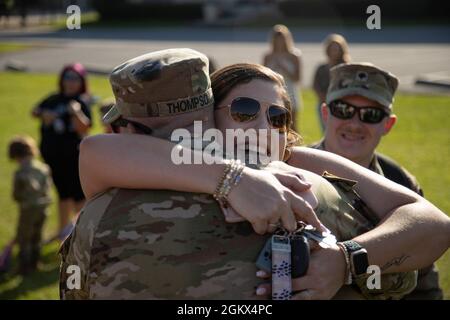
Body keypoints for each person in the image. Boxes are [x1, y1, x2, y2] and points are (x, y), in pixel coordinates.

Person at [60, 54, 450, 299]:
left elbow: (434, 224)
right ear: (211, 120)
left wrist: (346, 260)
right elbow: (96, 151)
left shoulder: (301, 162)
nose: (265, 127)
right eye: (245, 110)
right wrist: (233, 179)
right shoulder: (170, 160)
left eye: (278, 117)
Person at [309, 62, 443, 299]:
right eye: (343, 109)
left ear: (388, 124)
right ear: (325, 113)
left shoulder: (400, 184)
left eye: (371, 115)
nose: (354, 124)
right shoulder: (294, 173)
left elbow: (424, 283)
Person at [31, 63, 92, 239]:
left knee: (78, 196)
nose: (71, 82)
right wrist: (44, 115)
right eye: (67, 77)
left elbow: (84, 129)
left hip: (73, 157)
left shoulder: (81, 101)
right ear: (62, 80)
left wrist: (76, 113)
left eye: (75, 78)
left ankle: (81, 233)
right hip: (53, 157)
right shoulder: (54, 98)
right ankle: (63, 232)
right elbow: (35, 111)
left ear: (81, 82)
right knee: (62, 194)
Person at [8, 135, 52, 274]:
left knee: (24, 238)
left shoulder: (20, 173)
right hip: (43, 207)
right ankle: (36, 263)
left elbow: (16, 194)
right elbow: (47, 188)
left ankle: (24, 267)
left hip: (27, 209)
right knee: (37, 235)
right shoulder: (44, 168)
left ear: (15, 155)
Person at [263, 24, 302, 132]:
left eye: (282, 39)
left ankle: (296, 147)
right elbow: (262, 77)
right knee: (274, 125)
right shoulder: (268, 56)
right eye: (277, 40)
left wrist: (285, 68)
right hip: (272, 92)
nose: (280, 42)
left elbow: (297, 78)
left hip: (290, 91)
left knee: (292, 125)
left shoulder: (294, 55)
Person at [313, 34, 351, 131]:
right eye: (332, 49)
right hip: (324, 104)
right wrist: (324, 99)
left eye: (336, 49)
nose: (334, 52)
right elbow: (315, 86)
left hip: (341, 106)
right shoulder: (321, 68)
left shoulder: (346, 69)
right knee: (326, 131)